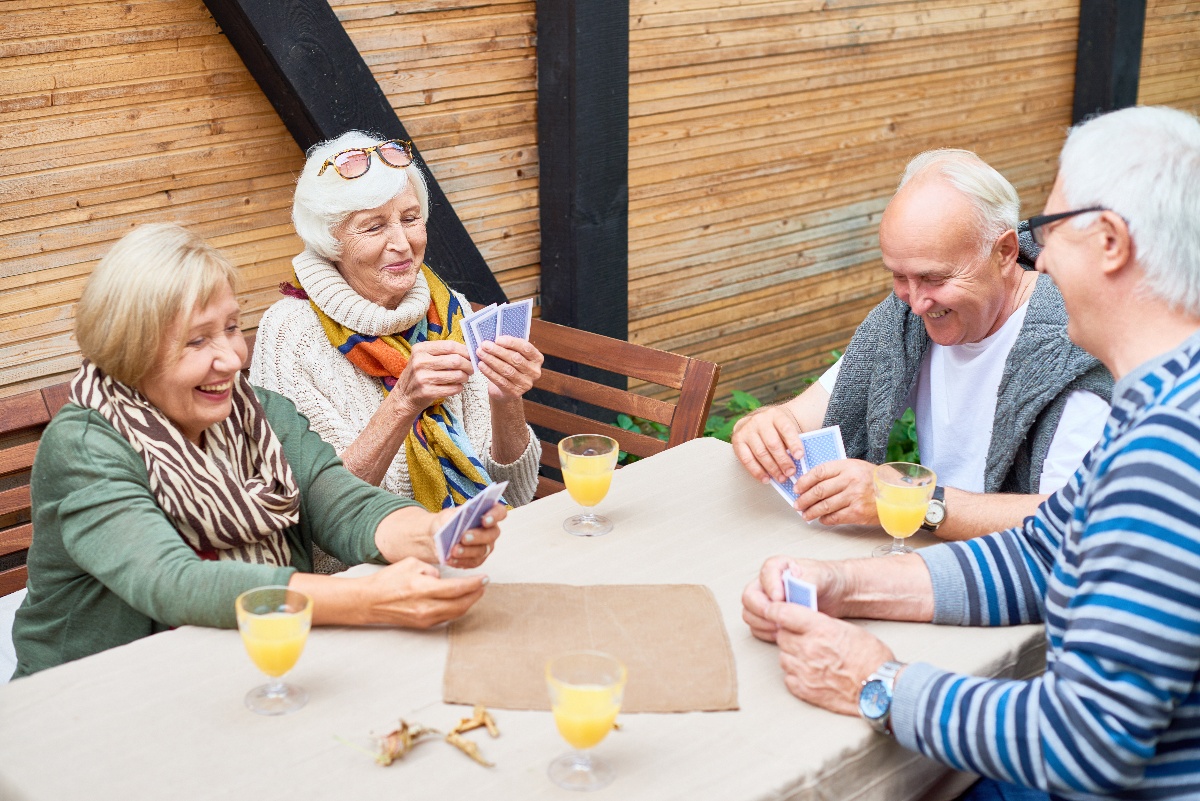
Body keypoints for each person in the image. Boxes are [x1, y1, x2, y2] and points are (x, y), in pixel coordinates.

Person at [742, 105, 1200, 800]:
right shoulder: (1163, 403)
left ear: (1109, 240)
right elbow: (1039, 551)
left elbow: (1088, 745)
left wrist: (877, 681)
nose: (1041, 256)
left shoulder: (1167, 451)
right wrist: (841, 583)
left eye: (1048, 232)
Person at [11, 224, 504, 678]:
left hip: (247, 660)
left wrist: (432, 532)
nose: (230, 358)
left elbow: (337, 500)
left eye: (230, 328)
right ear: (130, 350)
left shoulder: (256, 411)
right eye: (196, 341)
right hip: (99, 687)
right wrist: (364, 598)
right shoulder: (85, 445)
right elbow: (172, 581)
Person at [732, 150, 1112, 541]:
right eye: (899, 276)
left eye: (934, 278)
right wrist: (766, 426)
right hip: (936, 551)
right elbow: (800, 416)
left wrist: (914, 502)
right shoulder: (906, 317)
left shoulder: (1073, 346)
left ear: (1004, 252)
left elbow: (1072, 520)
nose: (915, 302)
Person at [251, 131, 542, 571]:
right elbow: (315, 524)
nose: (403, 244)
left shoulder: (448, 309)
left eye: (410, 218)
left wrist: (506, 401)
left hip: (478, 550)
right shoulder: (290, 334)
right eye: (373, 226)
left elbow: (515, 492)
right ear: (331, 241)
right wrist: (403, 402)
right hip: (367, 576)